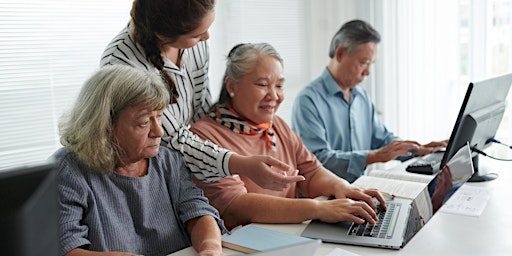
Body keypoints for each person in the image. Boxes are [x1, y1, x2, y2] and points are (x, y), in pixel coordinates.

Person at [100, 0, 303, 191]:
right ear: (163, 36)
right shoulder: (121, 62)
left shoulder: (195, 44)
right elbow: (172, 140)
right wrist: (238, 164)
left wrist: (221, 148)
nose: (206, 38)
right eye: (197, 35)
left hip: (195, 161)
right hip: (146, 176)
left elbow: (201, 107)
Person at [189, 43, 387, 230]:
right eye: (262, 85)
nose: (274, 96)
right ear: (231, 86)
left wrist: (341, 187)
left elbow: (310, 172)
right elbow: (235, 207)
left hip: (291, 233)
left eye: (279, 86)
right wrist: (318, 209)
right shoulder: (204, 136)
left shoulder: (276, 124)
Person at [55, 65, 225, 256]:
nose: (158, 131)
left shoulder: (167, 161)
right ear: (105, 125)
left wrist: (211, 248)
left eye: (159, 117)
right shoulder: (67, 171)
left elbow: (198, 212)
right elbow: (65, 248)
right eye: (144, 122)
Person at [291, 19, 447, 183]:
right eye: (364, 62)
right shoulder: (308, 101)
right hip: (324, 199)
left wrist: (417, 150)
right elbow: (317, 161)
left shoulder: (361, 97)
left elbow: (383, 140)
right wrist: (375, 156)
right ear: (340, 54)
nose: (367, 72)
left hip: (358, 192)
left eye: (371, 64)